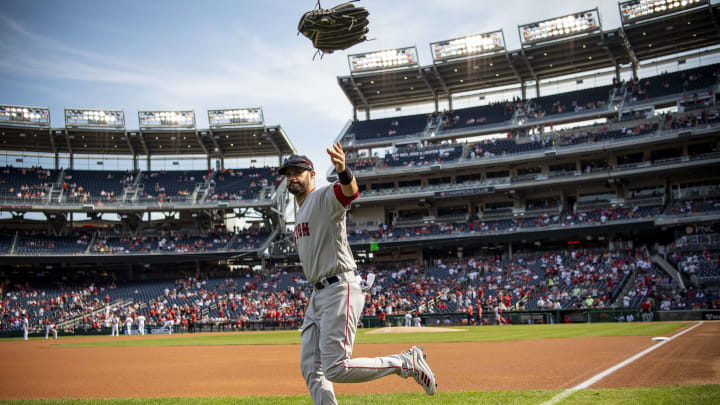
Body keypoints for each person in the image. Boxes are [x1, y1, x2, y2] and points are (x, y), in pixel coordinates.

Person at [281, 145, 436, 405]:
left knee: (335, 367)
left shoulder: (321, 197)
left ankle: (404, 362)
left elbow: (349, 192)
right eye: (288, 174)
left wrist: (343, 170)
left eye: (298, 172)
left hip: (338, 286)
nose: (292, 177)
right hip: (318, 294)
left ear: (312, 175)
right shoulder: (300, 211)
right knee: (310, 366)